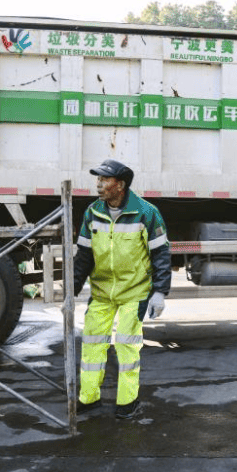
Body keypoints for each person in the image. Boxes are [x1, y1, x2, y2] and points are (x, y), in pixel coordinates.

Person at [73, 159, 171, 419]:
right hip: (102, 292)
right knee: (92, 345)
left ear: (121, 185)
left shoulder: (146, 213)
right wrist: (70, 293)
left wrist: (160, 291)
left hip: (134, 293)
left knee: (127, 346)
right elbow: (83, 256)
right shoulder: (92, 212)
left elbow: (161, 254)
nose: (98, 184)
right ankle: (89, 398)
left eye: (104, 180)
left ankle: (128, 402)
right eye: (98, 179)